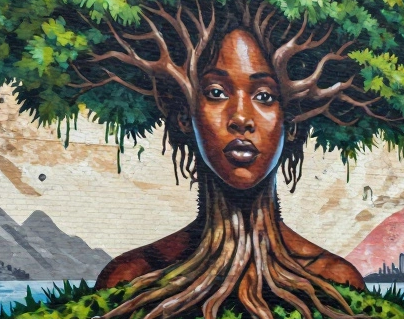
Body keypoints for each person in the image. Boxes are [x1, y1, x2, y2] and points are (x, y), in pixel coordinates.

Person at [95, 27, 366, 291]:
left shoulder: (337, 279)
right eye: (216, 92)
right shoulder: (130, 276)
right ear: (184, 118)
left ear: (291, 125)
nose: (240, 119)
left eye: (264, 96)